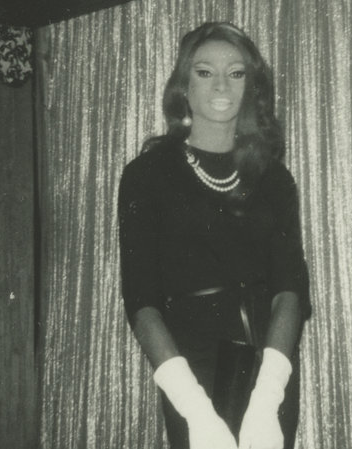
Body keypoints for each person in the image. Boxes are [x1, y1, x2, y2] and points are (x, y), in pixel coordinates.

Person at [118, 22, 310, 449]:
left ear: (251, 87)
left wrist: (267, 396)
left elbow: (290, 292)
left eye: (236, 73)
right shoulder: (146, 175)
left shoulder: (274, 178)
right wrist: (195, 409)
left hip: (268, 361)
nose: (221, 84)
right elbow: (142, 302)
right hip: (192, 366)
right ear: (183, 86)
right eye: (205, 72)